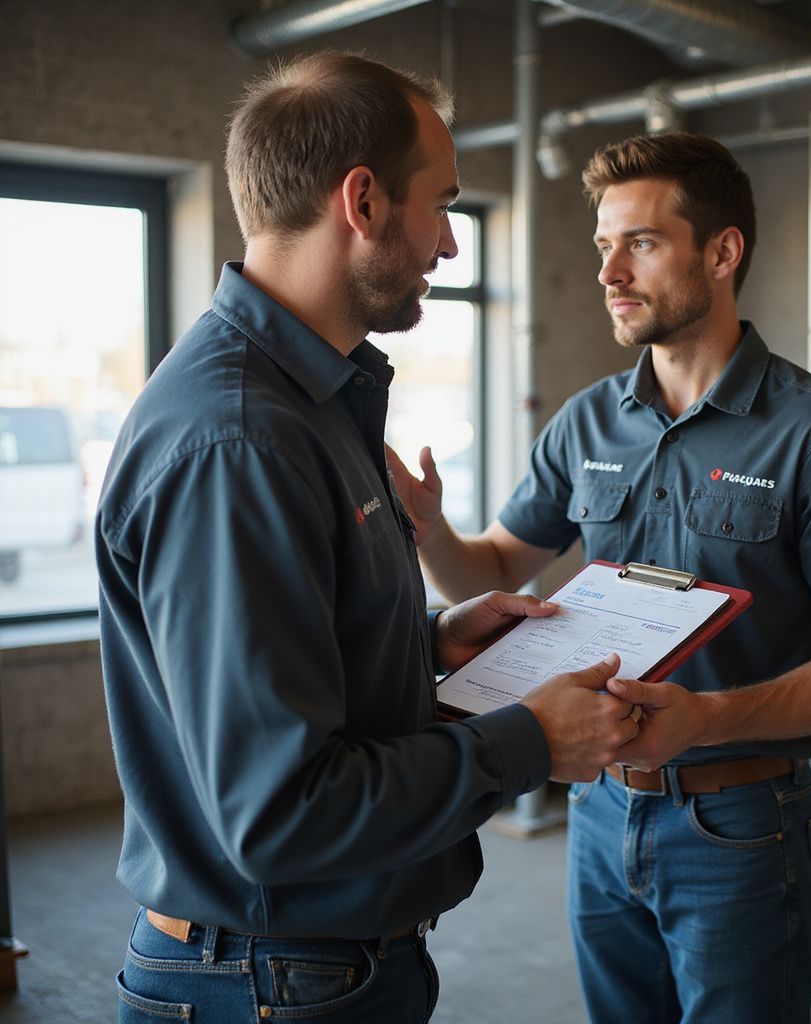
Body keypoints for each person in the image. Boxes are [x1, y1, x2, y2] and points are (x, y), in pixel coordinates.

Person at [96, 51, 642, 1024]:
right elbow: (282, 810)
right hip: (271, 976)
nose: (448, 246)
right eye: (442, 205)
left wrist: (428, 644)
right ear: (363, 201)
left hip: (308, 965)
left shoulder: (308, 401)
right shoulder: (240, 439)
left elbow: (278, 672)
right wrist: (527, 742)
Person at [387, 130, 811, 1024]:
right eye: (603, 246)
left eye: (640, 242)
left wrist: (706, 718)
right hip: (596, 812)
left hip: (741, 820)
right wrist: (430, 530)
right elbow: (492, 570)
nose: (609, 273)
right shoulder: (588, 421)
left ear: (722, 251)